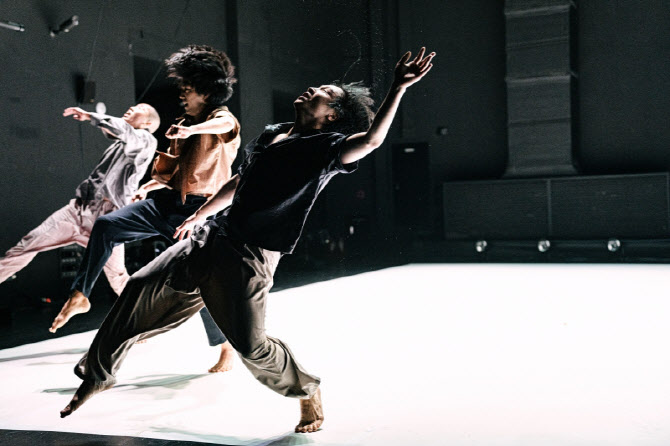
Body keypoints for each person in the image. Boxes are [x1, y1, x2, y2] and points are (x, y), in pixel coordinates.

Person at [60, 47, 435, 433]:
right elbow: (240, 181)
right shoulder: (273, 133)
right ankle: (98, 375)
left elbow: (371, 141)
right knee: (140, 285)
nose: (313, 89)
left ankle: (306, 389)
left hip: (250, 254)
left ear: (332, 116)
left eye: (325, 93)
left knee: (252, 346)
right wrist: (201, 214)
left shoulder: (326, 148)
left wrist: (398, 87)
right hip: (213, 235)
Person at [49, 45, 241, 374]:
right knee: (106, 226)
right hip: (168, 203)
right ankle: (80, 293)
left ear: (207, 92)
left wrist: (193, 130)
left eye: (188, 89)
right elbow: (178, 169)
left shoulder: (220, 119)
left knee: (201, 282)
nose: (182, 94)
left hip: (200, 211)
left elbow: (222, 125)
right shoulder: (182, 122)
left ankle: (225, 346)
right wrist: (153, 185)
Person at [0, 103, 159, 299]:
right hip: (78, 210)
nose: (133, 107)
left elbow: (123, 130)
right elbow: (115, 131)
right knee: (26, 246)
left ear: (148, 122)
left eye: (140, 107)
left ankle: (149, 311)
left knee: (117, 276)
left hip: (107, 220)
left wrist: (90, 116)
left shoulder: (146, 140)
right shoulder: (120, 143)